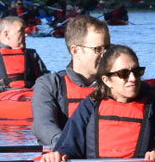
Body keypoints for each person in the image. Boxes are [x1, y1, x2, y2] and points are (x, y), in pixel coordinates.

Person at [41, 45, 155, 162]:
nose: (133, 79)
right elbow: (68, 147)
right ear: (107, 80)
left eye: (137, 72)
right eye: (123, 74)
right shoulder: (90, 106)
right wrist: (58, 156)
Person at [31, 15, 110, 149]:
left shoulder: (118, 82)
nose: (106, 55)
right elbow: (42, 124)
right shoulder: (49, 84)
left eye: (108, 48)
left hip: (109, 156)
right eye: (98, 49)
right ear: (75, 50)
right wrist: (66, 145)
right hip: (66, 157)